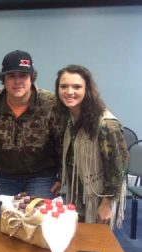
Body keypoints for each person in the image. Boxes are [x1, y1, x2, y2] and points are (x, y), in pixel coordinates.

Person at [55, 64, 129, 228]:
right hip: (77, 192)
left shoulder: (106, 124)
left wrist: (107, 204)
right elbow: (70, 155)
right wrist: (62, 178)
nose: (69, 92)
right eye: (64, 86)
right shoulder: (69, 118)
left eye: (77, 86)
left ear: (87, 89)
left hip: (99, 196)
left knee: (96, 248)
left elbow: (118, 168)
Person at [0, 50, 64, 198]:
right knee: (10, 218)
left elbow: (62, 142)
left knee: (36, 219)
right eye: (11, 76)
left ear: (31, 77)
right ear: (3, 79)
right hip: (5, 176)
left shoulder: (50, 103)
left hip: (41, 176)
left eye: (23, 75)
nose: (17, 81)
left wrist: (62, 177)